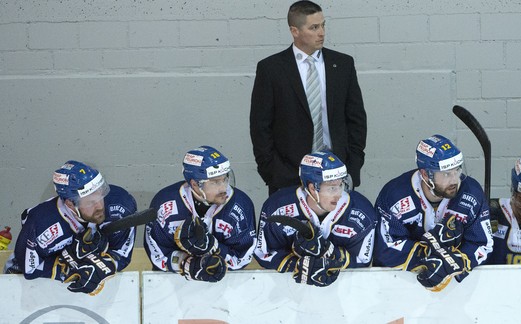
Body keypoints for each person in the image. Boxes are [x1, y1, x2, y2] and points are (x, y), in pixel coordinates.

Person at [250, 0, 367, 195]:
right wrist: (272, 171)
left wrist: (353, 165)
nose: (321, 32)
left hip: (337, 171)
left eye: (323, 25)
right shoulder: (271, 69)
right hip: (288, 176)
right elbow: (260, 125)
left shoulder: (342, 64)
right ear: (295, 31)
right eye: (314, 27)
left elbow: (356, 119)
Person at [373, 135, 493, 292]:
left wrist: (459, 260)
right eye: (446, 174)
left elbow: (483, 243)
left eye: (457, 170)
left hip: (457, 290)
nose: (454, 180)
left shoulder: (471, 193)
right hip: (400, 286)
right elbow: (384, 247)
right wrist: (426, 256)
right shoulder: (395, 196)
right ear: (425, 174)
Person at [4, 161, 137, 295]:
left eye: (100, 196)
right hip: (27, 288)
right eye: (91, 202)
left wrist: (105, 263)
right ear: (70, 204)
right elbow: (29, 270)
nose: (100, 206)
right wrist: (67, 266)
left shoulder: (120, 205)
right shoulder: (41, 224)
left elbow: (122, 254)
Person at [254, 151, 377, 287]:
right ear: (312, 188)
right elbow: (263, 253)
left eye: (341, 185)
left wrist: (330, 254)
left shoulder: (362, 212)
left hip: (342, 292)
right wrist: (299, 265)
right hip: (287, 293)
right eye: (331, 188)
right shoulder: (277, 207)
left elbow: (362, 260)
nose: (338, 195)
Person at [144, 146, 257, 282]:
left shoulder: (241, 205)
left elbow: (242, 257)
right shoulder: (165, 204)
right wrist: (187, 264)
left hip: (226, 284)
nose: (224, 188)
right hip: (172, 284)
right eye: (215, 182)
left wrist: (213, 247)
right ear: (195, 184)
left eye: (225, 179)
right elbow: (157, 253)